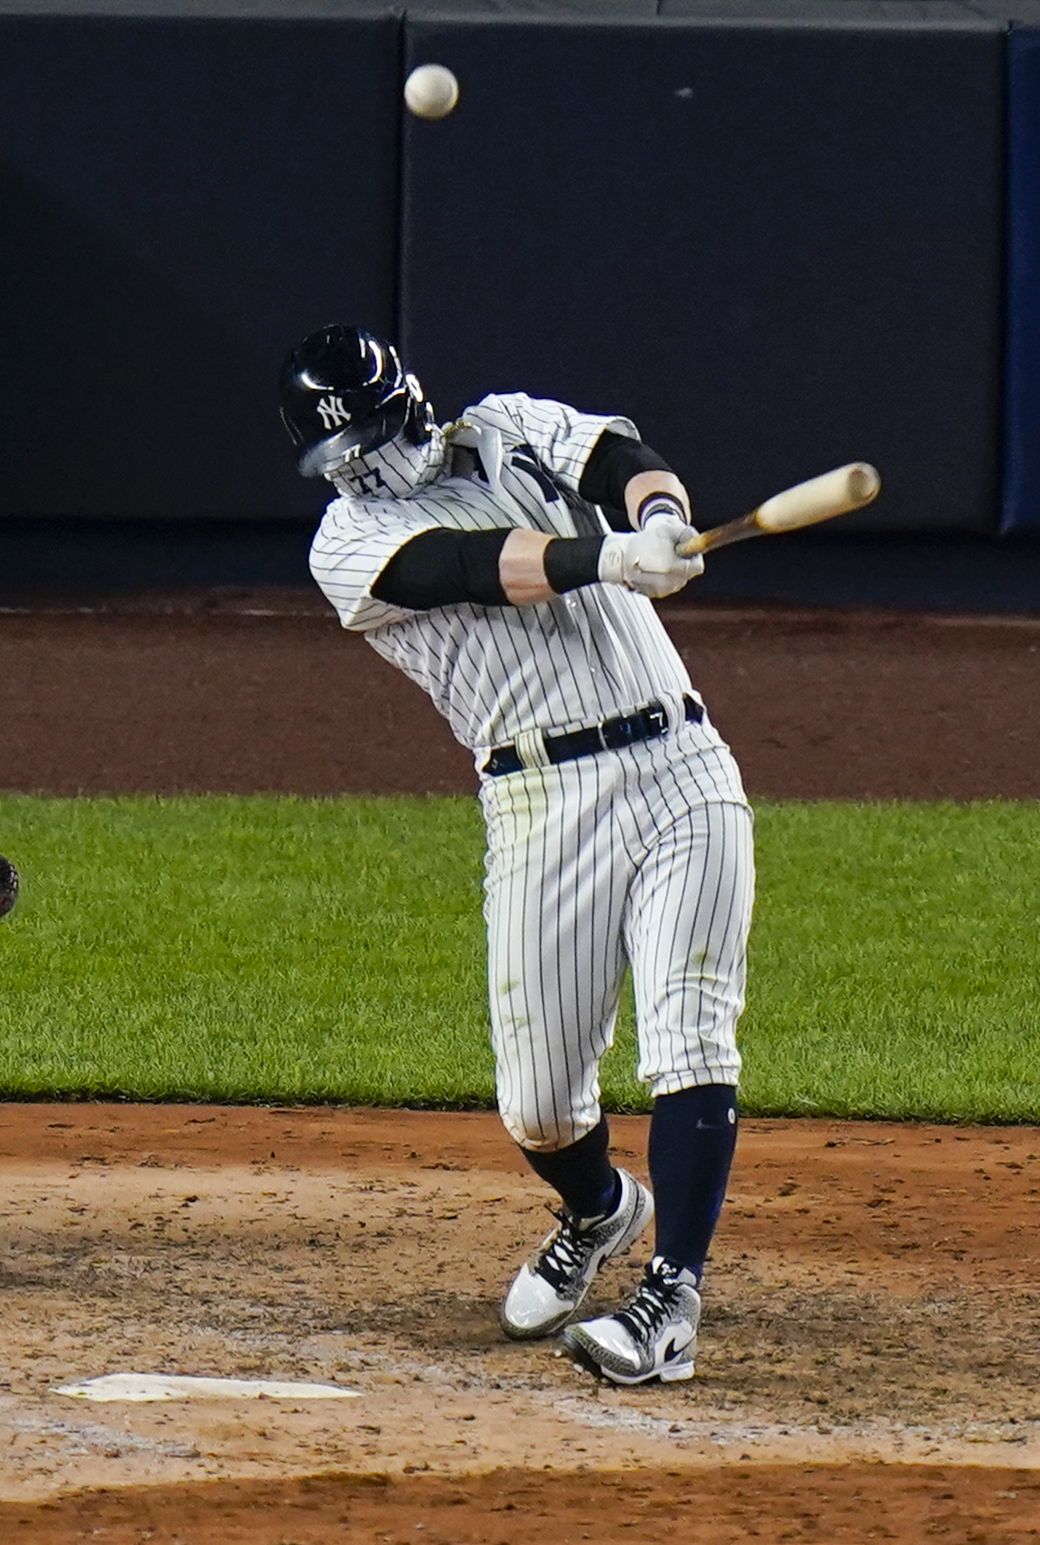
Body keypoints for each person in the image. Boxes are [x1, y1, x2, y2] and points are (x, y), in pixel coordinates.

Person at [280, 325, 754, 1386]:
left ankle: (671, 1298)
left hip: (682, 765)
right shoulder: (345, 548)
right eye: (337, 453)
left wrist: (662, 519)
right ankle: (598, 1209)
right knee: (539, 1105)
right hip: (541, 800)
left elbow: (619, 463)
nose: (358, 464)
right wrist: (606, 558)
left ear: (404, 401)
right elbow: (470, 568)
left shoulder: (509, 429)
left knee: (688, 1031)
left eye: (364, 437)